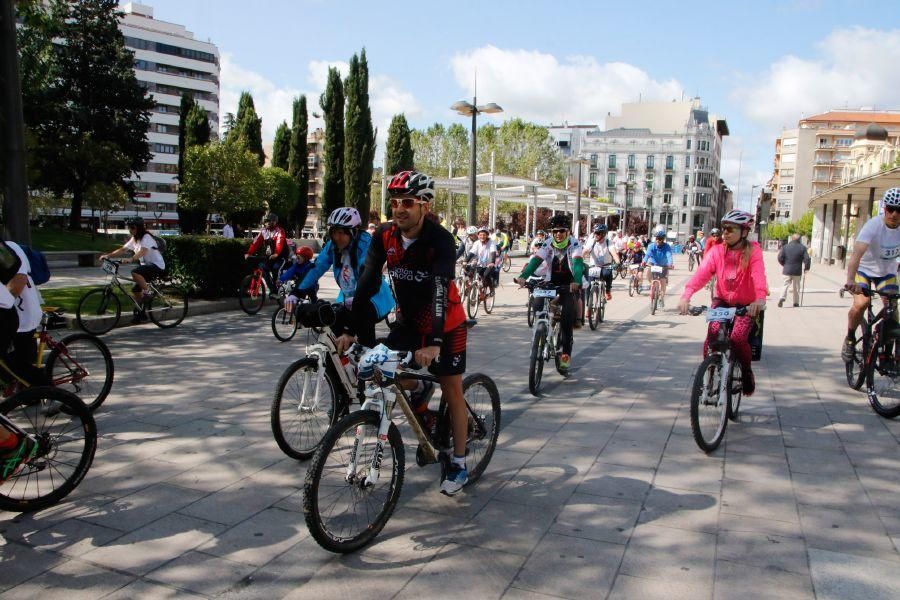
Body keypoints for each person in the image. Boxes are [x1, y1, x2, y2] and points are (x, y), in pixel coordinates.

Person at [342, 171, 470, 496]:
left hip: (446, 325)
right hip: (410, 323)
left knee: (451, 388)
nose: (399, 209)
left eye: (407, 203)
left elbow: (441, 289)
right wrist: (351, 331)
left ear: (424, 206)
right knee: (379, 370)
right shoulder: (384, 236)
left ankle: (458, 462)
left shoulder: (439, 239)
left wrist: (437, 343)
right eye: (394, 202)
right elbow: (367, 283)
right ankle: (419, 396)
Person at [678, 210, 768, 396]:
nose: (725, 233)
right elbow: (702, 274)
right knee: (712, 336)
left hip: (746, 304)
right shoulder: (717, 251)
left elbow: (758, 275)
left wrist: (759, 299)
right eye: (724, 228)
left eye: (730, 229)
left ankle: (746, 371)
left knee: (737, 338)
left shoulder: (754, 251)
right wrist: (686, 295)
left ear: (744, 232)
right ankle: (709, 373)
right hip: (722, 302)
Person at [297, 207, 394, 348]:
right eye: (334, 233)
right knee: (334, 341)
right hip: (347, 300)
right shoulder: (332, 246)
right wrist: (297, 292)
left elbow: (366, 274)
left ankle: (368, 361)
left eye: (341, 233)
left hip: (372, 299)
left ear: (353, 232)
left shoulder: (366, 245)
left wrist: (351, 329)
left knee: (363, 343)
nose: (337, 237)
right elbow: (317, 267)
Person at [514, 214, 584, 371]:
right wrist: (523, 277)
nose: (558, 234)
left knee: (566, 319)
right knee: (538, 304)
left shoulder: (575, 244)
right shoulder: (548, 243)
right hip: (551, 281)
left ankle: (566, 353)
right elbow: (536, 261)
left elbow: (578, 264)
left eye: (561, 230)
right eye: (555, 231)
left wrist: (576, 281)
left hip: (569, 284)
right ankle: (541, 334)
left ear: (568, 232)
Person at [842, 188, 900, 363]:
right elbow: (856, 256)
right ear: (884, 208)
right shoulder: (873, 226)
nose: (895, 214)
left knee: (892, 306)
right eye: (891, 209)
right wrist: (851, 281)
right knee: (862, 303)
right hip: (864, 270)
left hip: (886, 272)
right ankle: (850, 338)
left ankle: (888, 349)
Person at [100, 216, 165, 324]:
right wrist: (108, 256)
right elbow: (123, 249)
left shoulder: (146, 237)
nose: (131, 230)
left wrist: (131, 258)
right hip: (147, 266)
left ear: (139, 228)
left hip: (156, 265)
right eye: (129, 227)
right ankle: (141, 313)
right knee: (135, 290)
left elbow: (143, 251)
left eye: (133, 227)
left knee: (135, 272)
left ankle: (148, 293)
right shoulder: (135, 238)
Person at [245, 212, 290, 285]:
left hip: (281, 256)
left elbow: (279, 241)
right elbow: (256, 243)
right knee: (262, 267)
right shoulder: (263, 231)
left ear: (275, 222)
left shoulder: (279, 231)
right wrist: (249, 253)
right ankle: (272, 289)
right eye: (266, 221)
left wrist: (276, 253)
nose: (268, 223)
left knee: (276, 269)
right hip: (270, 256)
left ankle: (277, 287)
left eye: (270, 221)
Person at [583, 223, 620, 301]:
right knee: (588, 284)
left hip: (605, 266)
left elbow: (613, 253)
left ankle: (607, 291)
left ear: (603, 234)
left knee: (608, 273)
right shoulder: (592, 242)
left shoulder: (608, 242)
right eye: (594, 233)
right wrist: (578, 259)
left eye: (598, 233)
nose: (595, 235)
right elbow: (585, 251)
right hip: (594, 267)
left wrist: (618, 262)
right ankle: (588, 305)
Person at [280, 246, 317, 313]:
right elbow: (289, 272)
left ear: (306, 258)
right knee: (292, 295)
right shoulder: (297, 265)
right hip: (299, 286)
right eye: (297, 257)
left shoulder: (310, 266)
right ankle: (293, 311)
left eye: (299, 257)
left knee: (313, 298)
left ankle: (315, 309)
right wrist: (281, 279)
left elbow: (314, 278)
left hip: (310, 286)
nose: (297, 259)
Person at [777, 233, 811, 308]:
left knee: (785, 285)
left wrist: (784, 264)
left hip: (787, 270)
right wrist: (806, 268)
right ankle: (796, 302)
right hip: (797, 270)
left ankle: (782, 297)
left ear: (792, 239)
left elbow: (780, 257)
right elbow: (807, 259)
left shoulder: (785, 247)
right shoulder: (803, 248)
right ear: (799, 240)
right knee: (796, 287)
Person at [643, 229, 674, 306]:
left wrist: (670, 264)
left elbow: (669, 255)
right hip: (653, 264)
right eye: (657, 238)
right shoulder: (651, 246)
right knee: (648, 276)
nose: (658, 240)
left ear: (663, 239)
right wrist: (644, 261)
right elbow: (647, 255)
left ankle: (661, 298)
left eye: (660, 239)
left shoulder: (667, 247)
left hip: (663, 265)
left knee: (663, 282)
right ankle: (654, 287)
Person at [467, 227, 500, 294]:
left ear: (487, 235)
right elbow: (472, 252)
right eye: (480, 235)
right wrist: (465, 260)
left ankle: (491, 289)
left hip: (489, 264)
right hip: (480, 264)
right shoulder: (476, 243)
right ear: (478, 235)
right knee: (471, 272)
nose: (482, 236)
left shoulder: (491, 242)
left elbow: (493, 252)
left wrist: (492, 262)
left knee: (486, 275)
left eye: (484, 235)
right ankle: (473, 289)